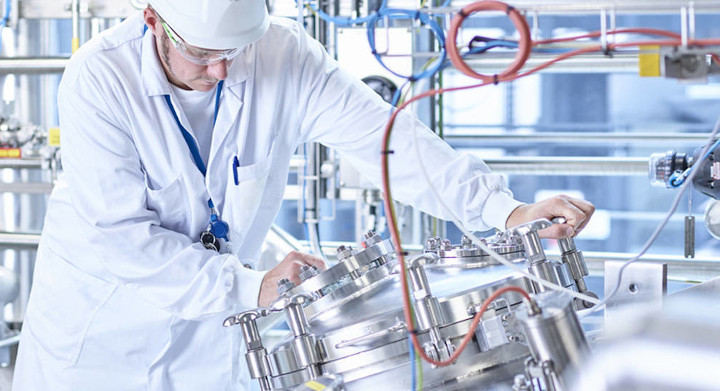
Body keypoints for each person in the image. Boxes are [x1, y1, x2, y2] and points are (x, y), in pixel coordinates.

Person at [12, 0, 594, 389]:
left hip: (211, 344)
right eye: (202, 55)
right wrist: (251, 285)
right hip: (98, 343)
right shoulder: (98, 78)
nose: (220, 71)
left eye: (231, 53)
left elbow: (386, 140)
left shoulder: (280, 53)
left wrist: (502, 209)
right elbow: (120, 239)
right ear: (151, 19)